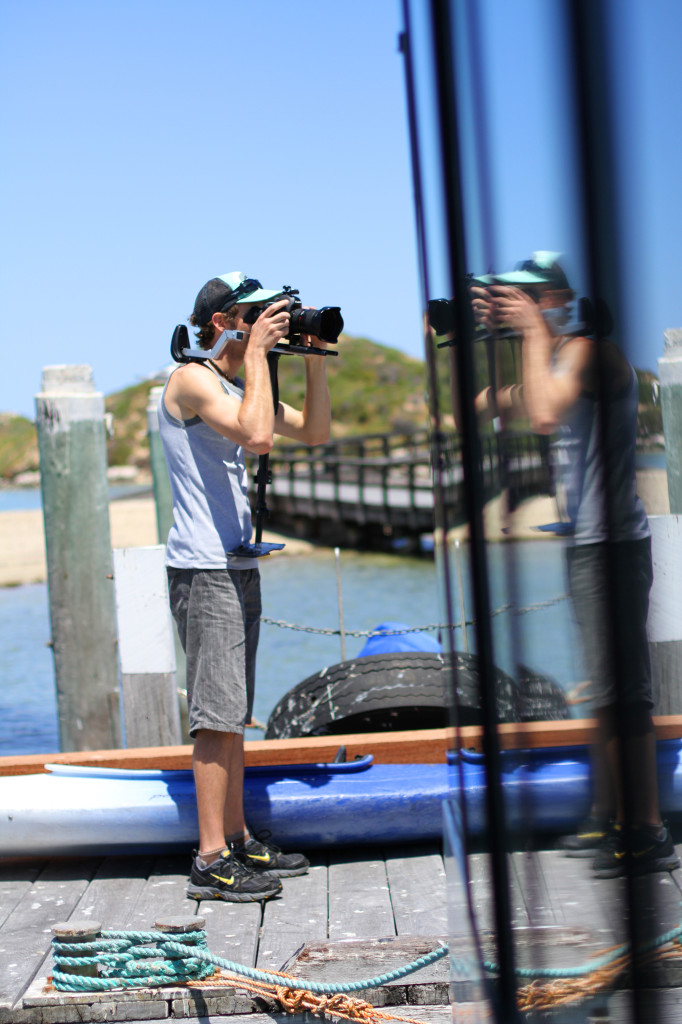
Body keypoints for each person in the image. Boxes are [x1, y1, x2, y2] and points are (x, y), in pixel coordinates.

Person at [471, 252, 680, 878]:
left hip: (614, 544)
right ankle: (610, 812)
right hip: (587, 544)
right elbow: (492, 404)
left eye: (530, 300)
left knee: (624, 692)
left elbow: (543, 412)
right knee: (602, 685)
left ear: (559, 300)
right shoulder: (557, 358)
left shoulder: (592, 351)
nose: (521, 311)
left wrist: (530, 332)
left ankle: (645, 829)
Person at [159, 271, 332, 901]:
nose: (268, 323)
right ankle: (210, 859)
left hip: (234, 565)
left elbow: (313, 432)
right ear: (220, 322)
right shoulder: (193, 379)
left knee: (233, 715)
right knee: (214, 716)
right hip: (204, 568)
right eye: (254, 316)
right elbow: (257, 434)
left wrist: (311, 359)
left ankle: (234, 838)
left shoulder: (239, 383)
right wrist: (257, 353)